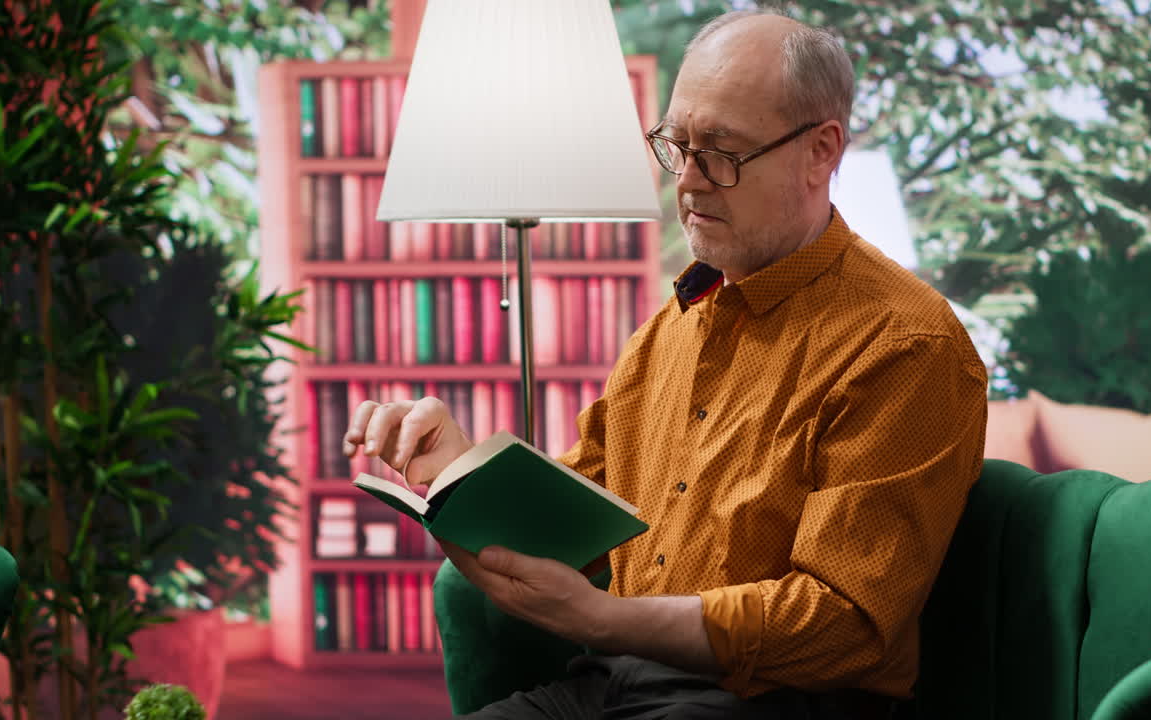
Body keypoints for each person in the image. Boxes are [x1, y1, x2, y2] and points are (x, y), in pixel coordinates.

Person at [343, 9, 988, 720]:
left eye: (722, 152)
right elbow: (577, 523)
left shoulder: (904, 345)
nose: (689, 182)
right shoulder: (672, 326)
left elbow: (841, 625)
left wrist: (602, 620)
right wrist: (461, 470)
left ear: (821, 151)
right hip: (613, 684)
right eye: (677, 145)